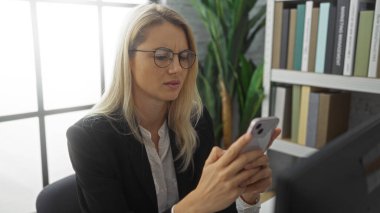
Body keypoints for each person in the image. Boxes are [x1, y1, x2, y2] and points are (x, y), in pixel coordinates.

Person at [67, 3, 280, 213]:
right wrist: (196, 204)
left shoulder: (196, 120)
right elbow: (203, 205)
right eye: (162, 56)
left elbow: (215, 209)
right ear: (128, 59)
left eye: (184, 56)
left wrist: (246, 195)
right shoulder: (89, 138)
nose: (177, 68)